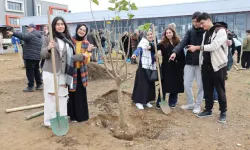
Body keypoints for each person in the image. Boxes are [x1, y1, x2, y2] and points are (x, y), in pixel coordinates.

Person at [188, 12, 228, 123]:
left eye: (202, 23)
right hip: (205, 66)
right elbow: (204, 49)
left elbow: (214, 46)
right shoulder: (206, 33)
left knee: (220, 89)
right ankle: (208, 109)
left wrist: (196, 47)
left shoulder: (220, 31)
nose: (201, 26)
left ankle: (223, 112)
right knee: (207, 89)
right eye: (200, 24)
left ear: (208, 20)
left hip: (218, 66)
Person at [41, 16, 75, 128]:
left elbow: (71, 57)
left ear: (64, 26)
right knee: (51, 97)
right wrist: (48, 48)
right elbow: (42, 55)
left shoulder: (68, 39)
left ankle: (62, 117)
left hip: (63, 73)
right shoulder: (49, 38)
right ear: (54, 26)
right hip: (50, 71)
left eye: (62, 24)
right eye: (58, 24)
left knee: (63, 96)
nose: (60, 26)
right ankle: (49, 121)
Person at [169, 12, 204, 114]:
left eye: (196, 21)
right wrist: (175, 52)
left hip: (200, 62)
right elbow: (182, 42)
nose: (194, 23)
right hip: (189, 62)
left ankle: (197, 105)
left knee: (200, 85)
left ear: (201, 21)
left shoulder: (205, 31)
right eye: (193, 21)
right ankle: (190, 103)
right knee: (186, 83)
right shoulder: (190, 31)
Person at [68, 24, 93, 122]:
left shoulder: (86, 43)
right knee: (72, 94)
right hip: (71, 71)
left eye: (84, 30)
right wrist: (83, 55)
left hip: (81, 72)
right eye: (80, 29)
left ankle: (82, 116)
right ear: (77, 29)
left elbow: (87, 61)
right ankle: (73, 116)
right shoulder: (70, 41)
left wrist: (88, 53)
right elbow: (69, 58)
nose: (82, 31)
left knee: (81, 94)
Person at [7, 23, 43, 92]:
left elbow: (22, 35)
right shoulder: (38, 36)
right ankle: (39, 84)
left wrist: (13, 33)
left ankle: (31, 86)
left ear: (33, 28)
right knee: (36, 71)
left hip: (30, 56)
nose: (27, 29)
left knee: (30, 71)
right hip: (36, 57)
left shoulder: (31, 35)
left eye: (29, 28)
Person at [156, 27, 185, 109]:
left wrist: (182, 66)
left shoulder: (178, 42)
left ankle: (172, 101)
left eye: (170, 32)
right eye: (167, 33)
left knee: (175, 84)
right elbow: (155, 46)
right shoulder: (163, 43)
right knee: (164, 84)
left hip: (177, 67)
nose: (168, 34)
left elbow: (182, 55)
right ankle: (160, 101)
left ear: (173, 33)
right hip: (166, 66)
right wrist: (151, 46)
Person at [131, 30, 157, 110]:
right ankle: (138, 101)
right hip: (143, 66)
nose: (150, 36)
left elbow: (155, 52)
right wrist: (135, 54)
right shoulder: (143, 42)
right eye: (148, 34)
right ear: (145, 36)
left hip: (151, 66)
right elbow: (139, 49)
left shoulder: (154, 43)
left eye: (151, 34)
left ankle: (147, 100)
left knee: (150, 83)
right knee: (142, 84)